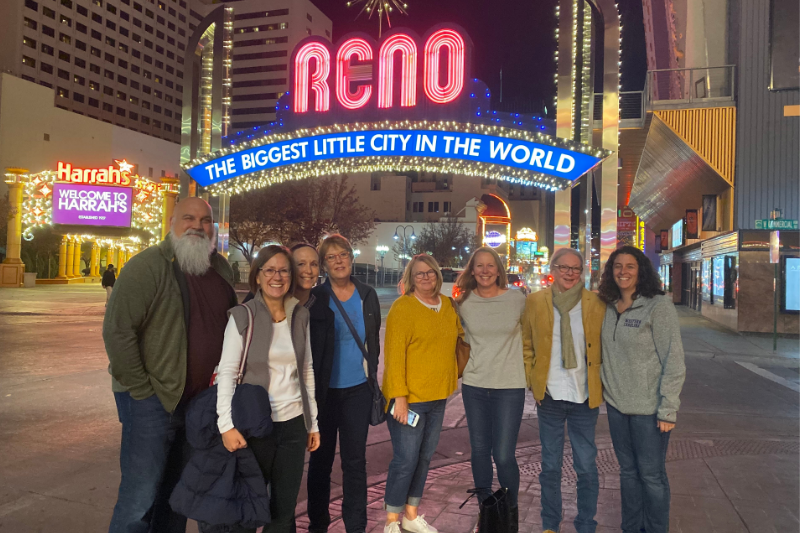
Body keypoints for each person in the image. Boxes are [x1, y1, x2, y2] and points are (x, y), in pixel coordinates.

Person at [104, 197, 237, 532]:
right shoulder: (147, 266)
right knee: (140, 496)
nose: (197, 226)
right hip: (152, 400)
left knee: (177, 495)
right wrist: (142, 391)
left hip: (197, 405)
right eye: (188, 218)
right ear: (171, 223)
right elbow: (118, 331)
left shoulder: (219, 268)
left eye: (205, 220)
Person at [215, 245, 321, 533]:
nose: (278, 276)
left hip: (293, 426)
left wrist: (312, 423)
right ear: (258, 276)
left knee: (283, 513)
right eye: (270, 270)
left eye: (284, 270)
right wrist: (225, 425)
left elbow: (307, 370)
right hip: (254, 428)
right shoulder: (242, 316)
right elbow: (227, 372)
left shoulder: (300, 315)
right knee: (249, 508)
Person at [597, 246, 686, 533]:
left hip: (649, 410)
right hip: (616, 407)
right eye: (617, 266)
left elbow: (673, 359)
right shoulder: (607, 306)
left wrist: (668, 409)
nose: (623, 272)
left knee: (652, 475)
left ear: (641, 271)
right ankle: (631, 528)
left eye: (630, 266)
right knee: (627, 473)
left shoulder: (658, 306)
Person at [521, 248, 606, 533]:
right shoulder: (535, 301)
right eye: (563, 267)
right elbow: (527, 344)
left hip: (585, 396)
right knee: (551, 467)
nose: (569, 273)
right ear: (553, 269)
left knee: (586, 468)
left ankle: (586, 524)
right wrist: (532, 379)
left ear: (582, 271)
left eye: (575, 268)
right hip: (551, 396)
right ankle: (549, 525)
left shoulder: (595, 303)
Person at [306, 235, 381, 533]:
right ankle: (318, 525)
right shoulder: (315, 297)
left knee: (354, 462)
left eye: (343, 255)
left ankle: (355, 526)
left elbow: (372, 341)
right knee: (320, 463)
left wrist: (372, 374)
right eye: (331, 257)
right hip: (323, 394)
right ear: (324, 264)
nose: (338, 261)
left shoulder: (367, 294)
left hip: (357, 391)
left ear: (351, 258)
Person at [382, 254, 461, 533]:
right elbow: (394, 356)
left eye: (430, 272)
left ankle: (411, 515)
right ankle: (392, 520)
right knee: (405, 460)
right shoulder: (402, 308)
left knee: (425, 457)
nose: (426, 277)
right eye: (419, 274)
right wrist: (399, 397)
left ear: (438, 275)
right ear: (410, 279)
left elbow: (460, 339)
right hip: (410, 400)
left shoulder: (448, 306)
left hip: (439, 397)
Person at [454, 247, 526, 531]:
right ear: (472, 270)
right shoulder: (464, 302)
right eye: (479, 266)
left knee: (504, 454)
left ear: (499, 270)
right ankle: (486, 513)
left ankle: (509, 517)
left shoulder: (517, 299)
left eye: (490, 266)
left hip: (509, 385)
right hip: (475, 385)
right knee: (480, 450)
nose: (485, 271)